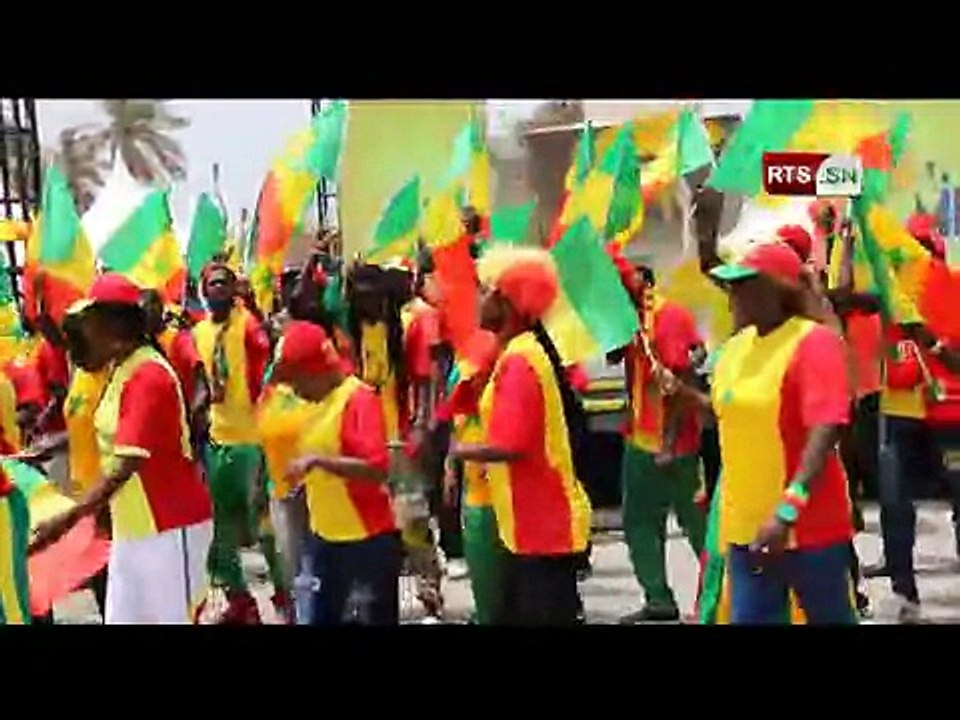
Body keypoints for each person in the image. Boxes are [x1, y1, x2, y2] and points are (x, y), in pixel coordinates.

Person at [29, 274, 213, 624]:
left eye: (88, 325)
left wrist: (67, 520)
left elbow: (123, 467)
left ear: (115, 327)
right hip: (134, 528)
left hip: (169, 528)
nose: (81, 337)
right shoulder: (121, 369)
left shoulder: (148, 376)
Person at [692, 242, 856, 624]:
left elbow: (826, 427)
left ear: (775, 289)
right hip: (747, 529)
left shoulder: (813, 342)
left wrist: (787, 510)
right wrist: (687, 399)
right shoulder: (735, 350)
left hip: (807, 528)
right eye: (732, 286)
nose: (733, 296)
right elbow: (731, 416)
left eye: (744, 285)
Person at [450, 246, 591, 626]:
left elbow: (510, 445)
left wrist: (458, 450)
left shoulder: (518, 360)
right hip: (533, 522)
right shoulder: (519, 352)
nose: (477, 299)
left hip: (542, 523)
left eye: (484, 290)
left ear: (506, 300)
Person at [278, 321, 400, 626]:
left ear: (315, 371)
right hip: (325, 539)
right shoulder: (316, 403)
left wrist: (319, 462)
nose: (295, 390)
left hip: (365, 542)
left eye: (297, 381)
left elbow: (377, 468)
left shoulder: (359, 399)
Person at [611, 254, 706, 624]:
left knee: (696, 526)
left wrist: (667, 445)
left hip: (675, 447)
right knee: (638, 524)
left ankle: (719, 595)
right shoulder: (631, 322)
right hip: (639, 440)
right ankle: (658, 598)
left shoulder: (668, 317)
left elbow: (682, 385)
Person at [193, 261, 271, 623]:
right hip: (217, 439)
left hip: (253, 439)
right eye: (212, 284)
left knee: (264, 526)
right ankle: (240, 599)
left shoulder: (248, 323)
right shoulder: (198, 333)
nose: (219, 290)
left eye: (225, 283)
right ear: (203, 291)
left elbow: (265, 347)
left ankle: (287, 596)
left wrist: (253, 304)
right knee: (218, 530)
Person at [438, 328, 504, 624]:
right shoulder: (464, 362)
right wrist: (451, 466)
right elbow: (456, 418)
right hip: (473, 486)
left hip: (499, 491)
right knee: (479, 561)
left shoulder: (504, 380)